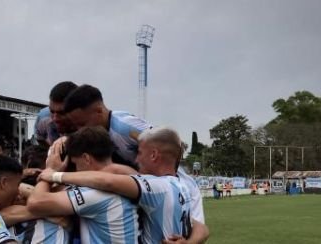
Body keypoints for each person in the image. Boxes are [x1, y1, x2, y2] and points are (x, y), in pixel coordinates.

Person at [60, 84, 206, 227]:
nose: (80, 129)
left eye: (82, 123)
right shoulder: (103, 135)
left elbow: (169, 143)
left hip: (175, 189)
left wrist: (171, 181)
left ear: (98, 111)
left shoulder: (124, 127)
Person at [40, 127, 209, 244]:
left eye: (139, 153)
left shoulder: (157, 187)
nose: (136, 159)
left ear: (153, 155)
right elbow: (202, 228)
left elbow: (108, 180)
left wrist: (53, 174)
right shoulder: (181, 186)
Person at [27, 126, 141, 243]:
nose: (76, 171)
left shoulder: (98, 193)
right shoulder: (127, 182)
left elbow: (36, 202)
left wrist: (49, 171)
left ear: (86, 158)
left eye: (75, 164)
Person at [33, 81, 78, 146]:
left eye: (62, 113)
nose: (55, 118)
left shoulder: (90, 130)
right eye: (52, 111)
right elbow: (40, 139)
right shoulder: (43, 119)